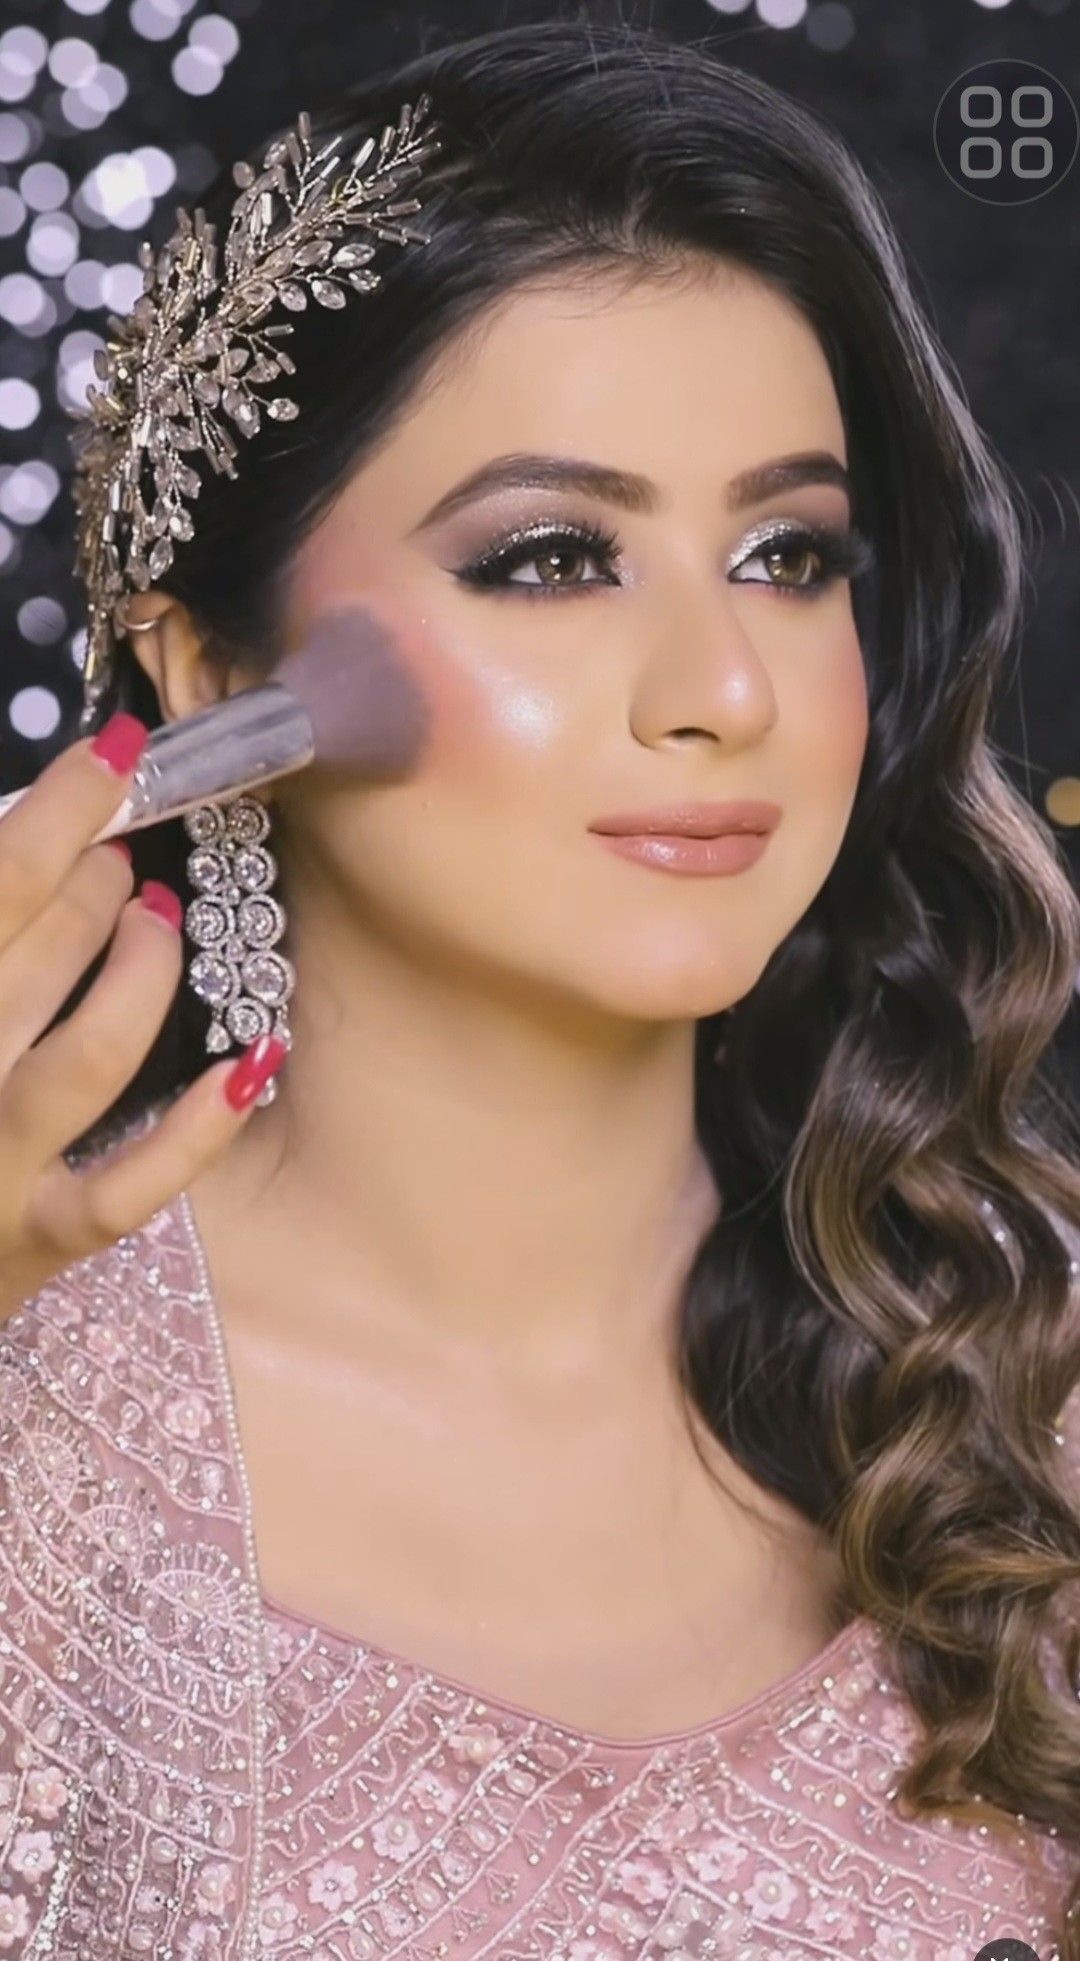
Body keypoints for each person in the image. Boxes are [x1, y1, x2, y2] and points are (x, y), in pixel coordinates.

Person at [0, 18, 1078, 1961]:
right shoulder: (40, 1440)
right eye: (555, 557)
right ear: (208, 677)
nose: (724, 689)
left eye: (789, 554)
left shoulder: (1013, 1381)